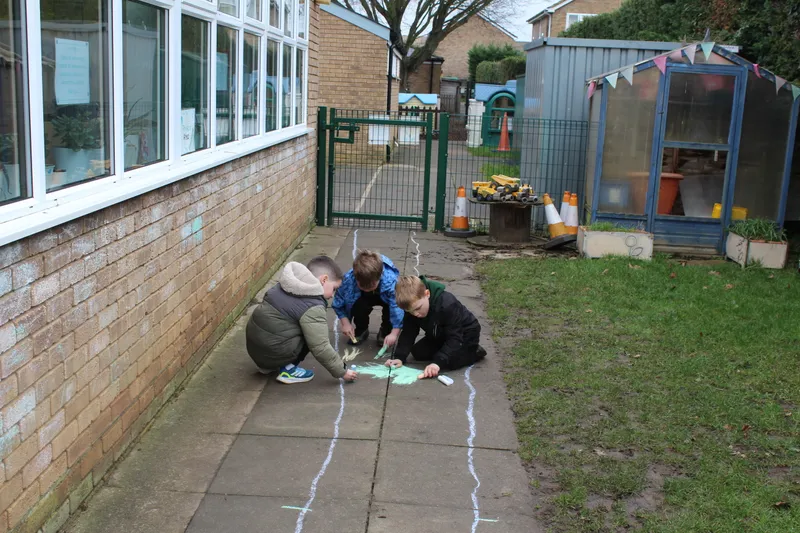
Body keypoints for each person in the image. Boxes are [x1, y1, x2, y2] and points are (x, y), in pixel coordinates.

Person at [245, 256, 358, 384]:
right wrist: (342, 372)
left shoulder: (286, 285)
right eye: (334, 289)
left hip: (255, 349)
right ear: (324, 280)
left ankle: (269, 364)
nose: (333, 295)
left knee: (300, 325)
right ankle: (288, 370)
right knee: (313, 334)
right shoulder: (312, 305)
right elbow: (320, 347)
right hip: (272, 352)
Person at [386, 275, 486, 378]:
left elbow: (455, 337)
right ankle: (445, 350)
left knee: (450, 362)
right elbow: (408, 332)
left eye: (418, 308)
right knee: (418, 353)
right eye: (410, 312)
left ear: (427, 294)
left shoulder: (447, 304)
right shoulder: (413, 305)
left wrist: (437, 363)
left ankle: (474, 351)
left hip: (465, 334)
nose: (415, 314)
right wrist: (399, 357)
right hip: (440, 333)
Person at [333, 250, 403, 348]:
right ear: (355, 277)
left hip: (384, 294)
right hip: (361, 297)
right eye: (362, 286)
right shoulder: (348, 280)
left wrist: (394, 333)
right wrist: (345, 323)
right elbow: (338, 302)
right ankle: (362, 329)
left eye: (371, 285)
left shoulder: (391, 282)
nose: (367, 289)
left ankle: (386, 331)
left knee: (390, 310)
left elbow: (397, 308)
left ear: (380, 276)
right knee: (358, 306)